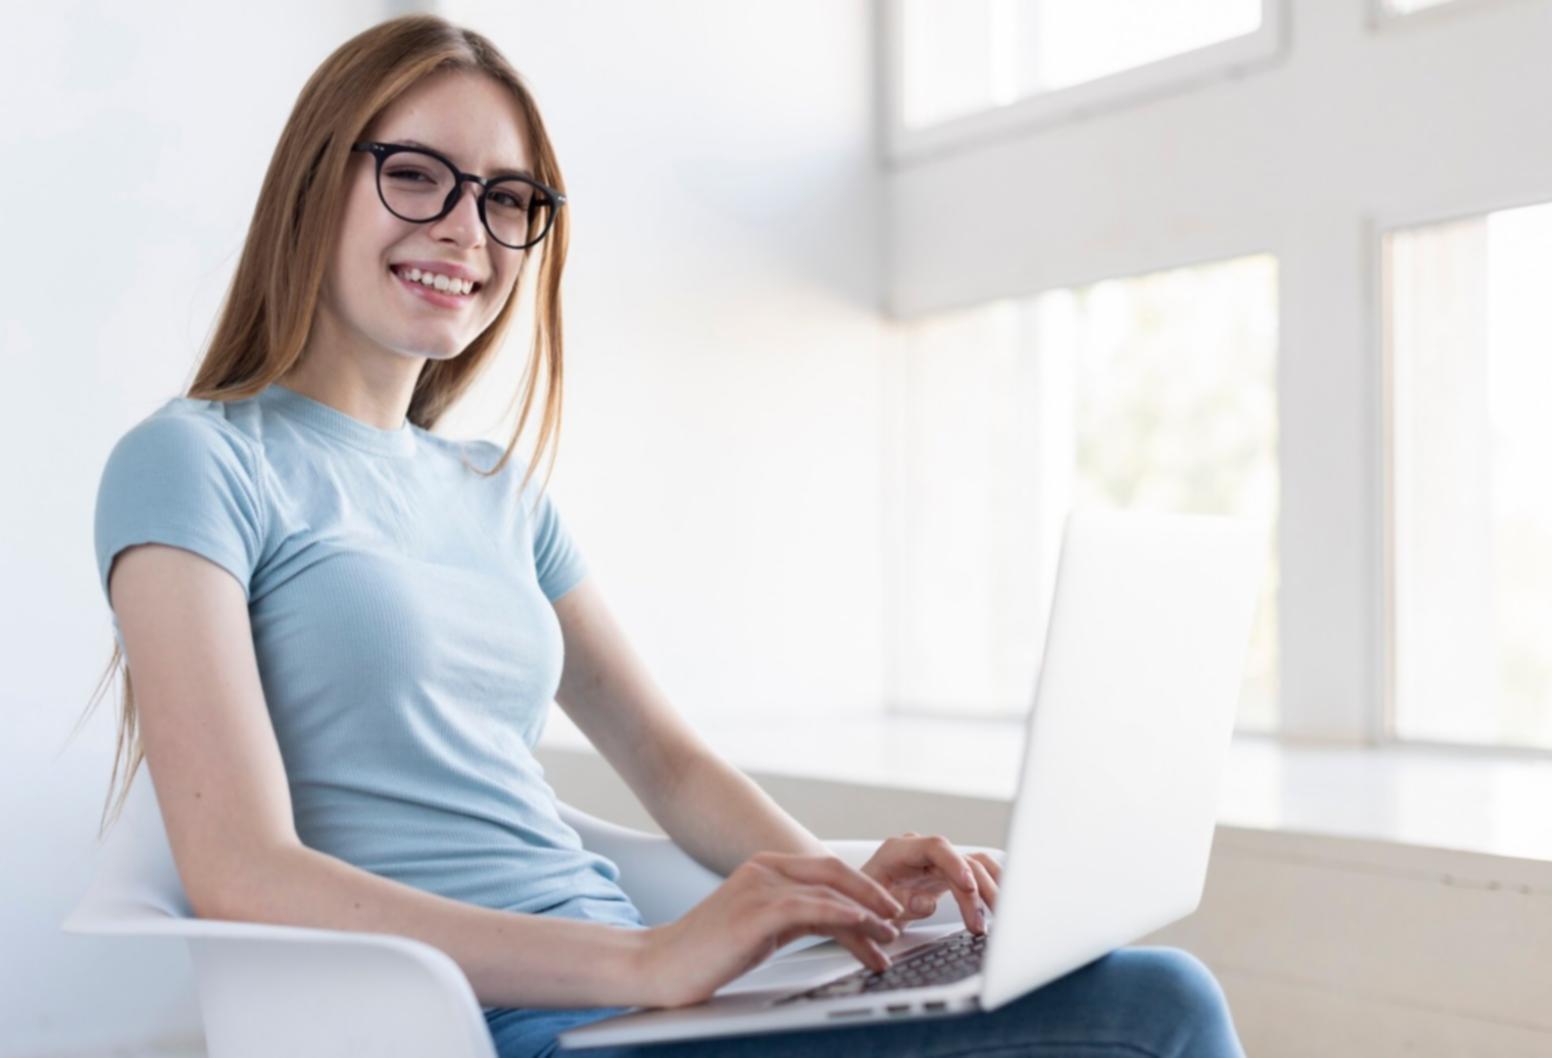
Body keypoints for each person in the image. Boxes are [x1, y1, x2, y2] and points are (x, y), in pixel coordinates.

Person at [82, 14, 1249, 1058]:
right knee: (1154, 1017)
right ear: (312, 182)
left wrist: (844, 891)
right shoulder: (195, 460)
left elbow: (669, 761)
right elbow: (240, 871)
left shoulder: (497, 490)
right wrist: (647, 959)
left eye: (506, 199)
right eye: (417, 175)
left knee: (1144, 987)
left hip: (654, 994)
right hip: (491, 1019)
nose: (467, 230)